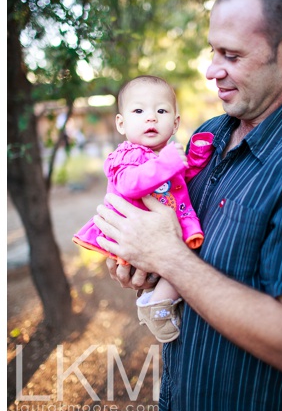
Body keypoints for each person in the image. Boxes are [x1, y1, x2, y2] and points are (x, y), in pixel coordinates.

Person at [91, 0, 282, 411]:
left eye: (231, 55)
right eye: (214, 52)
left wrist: (167, 257)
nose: (213, 70)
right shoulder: (208, 135)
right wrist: (142, 267)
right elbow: (180, 242)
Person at [74, 75, 213, 343]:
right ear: (121, 123)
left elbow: (182, 180)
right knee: (180, 258)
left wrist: (195, 157)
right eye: (139, 111)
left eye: (161, 111)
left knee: (186, 256)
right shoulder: (127, 156)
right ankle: (157, 305)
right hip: (135, 231)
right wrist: (167, 165)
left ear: (175, 123)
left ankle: (155, 299)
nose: (151, 118)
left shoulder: (164, 157)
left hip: (165, 227)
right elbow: (128, 185)